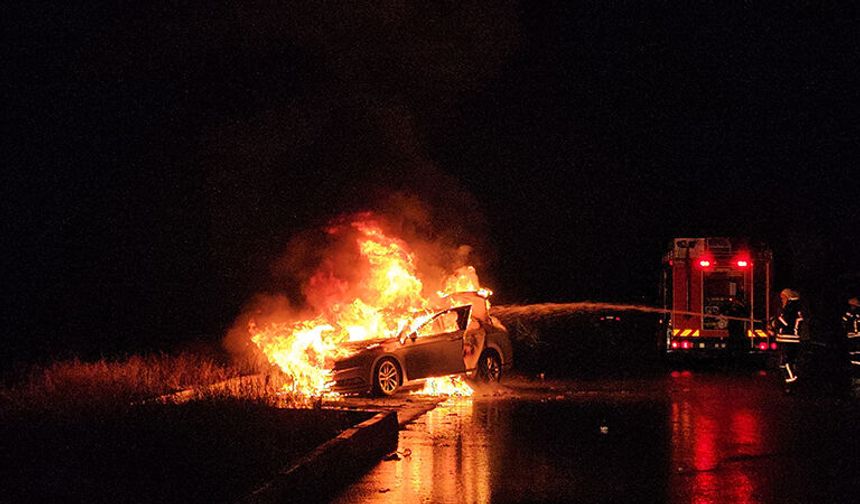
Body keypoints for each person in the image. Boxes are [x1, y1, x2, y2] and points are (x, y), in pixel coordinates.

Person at [771, 288, 807, 390]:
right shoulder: (796, 308)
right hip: (789, 339)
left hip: (788, 339)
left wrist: (774, 323)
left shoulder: (790, 308)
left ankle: (791, 382)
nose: (782, 300)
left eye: (783, 298)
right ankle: (788, 380)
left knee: (785, 362)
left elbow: (785, 322)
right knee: (785, 362)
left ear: (788, 297)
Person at [843, 297, 860, 376]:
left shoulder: (853, 314)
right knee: (852, 352)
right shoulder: (848, 314)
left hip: (855, 336)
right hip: (851, 336)